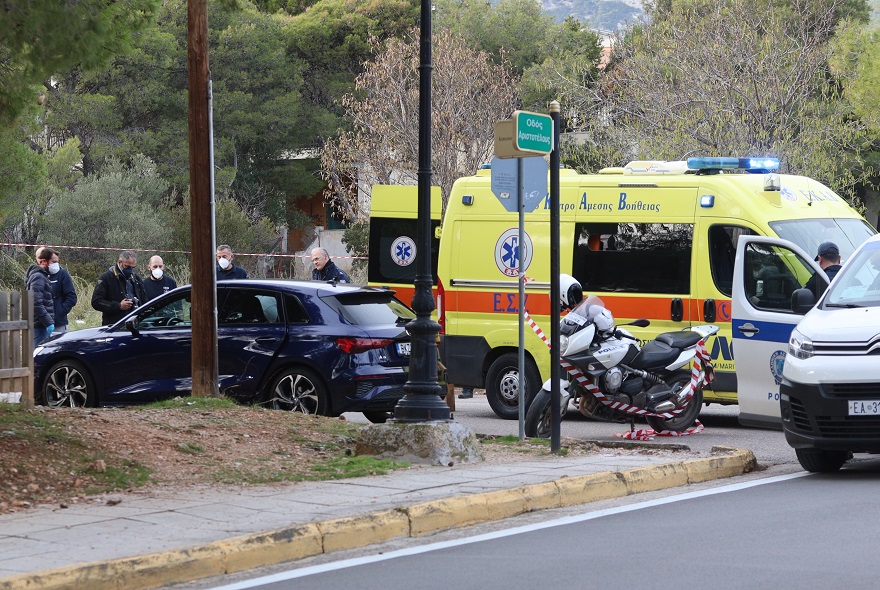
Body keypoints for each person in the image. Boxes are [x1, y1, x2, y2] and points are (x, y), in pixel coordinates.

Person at [91, 250, 147, 326]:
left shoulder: (136, 279)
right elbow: (96, 302)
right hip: (114, 325)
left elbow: (144, 301)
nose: (130, 270)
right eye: (127, 266)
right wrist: (118, 306)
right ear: (119, 262)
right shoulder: (106, 278)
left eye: (132, 267)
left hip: (135, 324)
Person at [37, 247, 77, 336]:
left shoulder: (62, 274)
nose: (56, 264)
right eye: (53, 262)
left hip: (59, 323)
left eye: (57, 262)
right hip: (41, 323)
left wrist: (60, 311)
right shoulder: (39, 275)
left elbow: (72, 297)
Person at [26, 247, 56, 345]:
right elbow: (35, 302)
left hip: (41, 324)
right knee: (39, 356)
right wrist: (48, 322)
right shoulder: (38, 277)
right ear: (43, 262)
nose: (55, 265)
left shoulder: (42, 276)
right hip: (40, 325)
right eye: (53, 262)